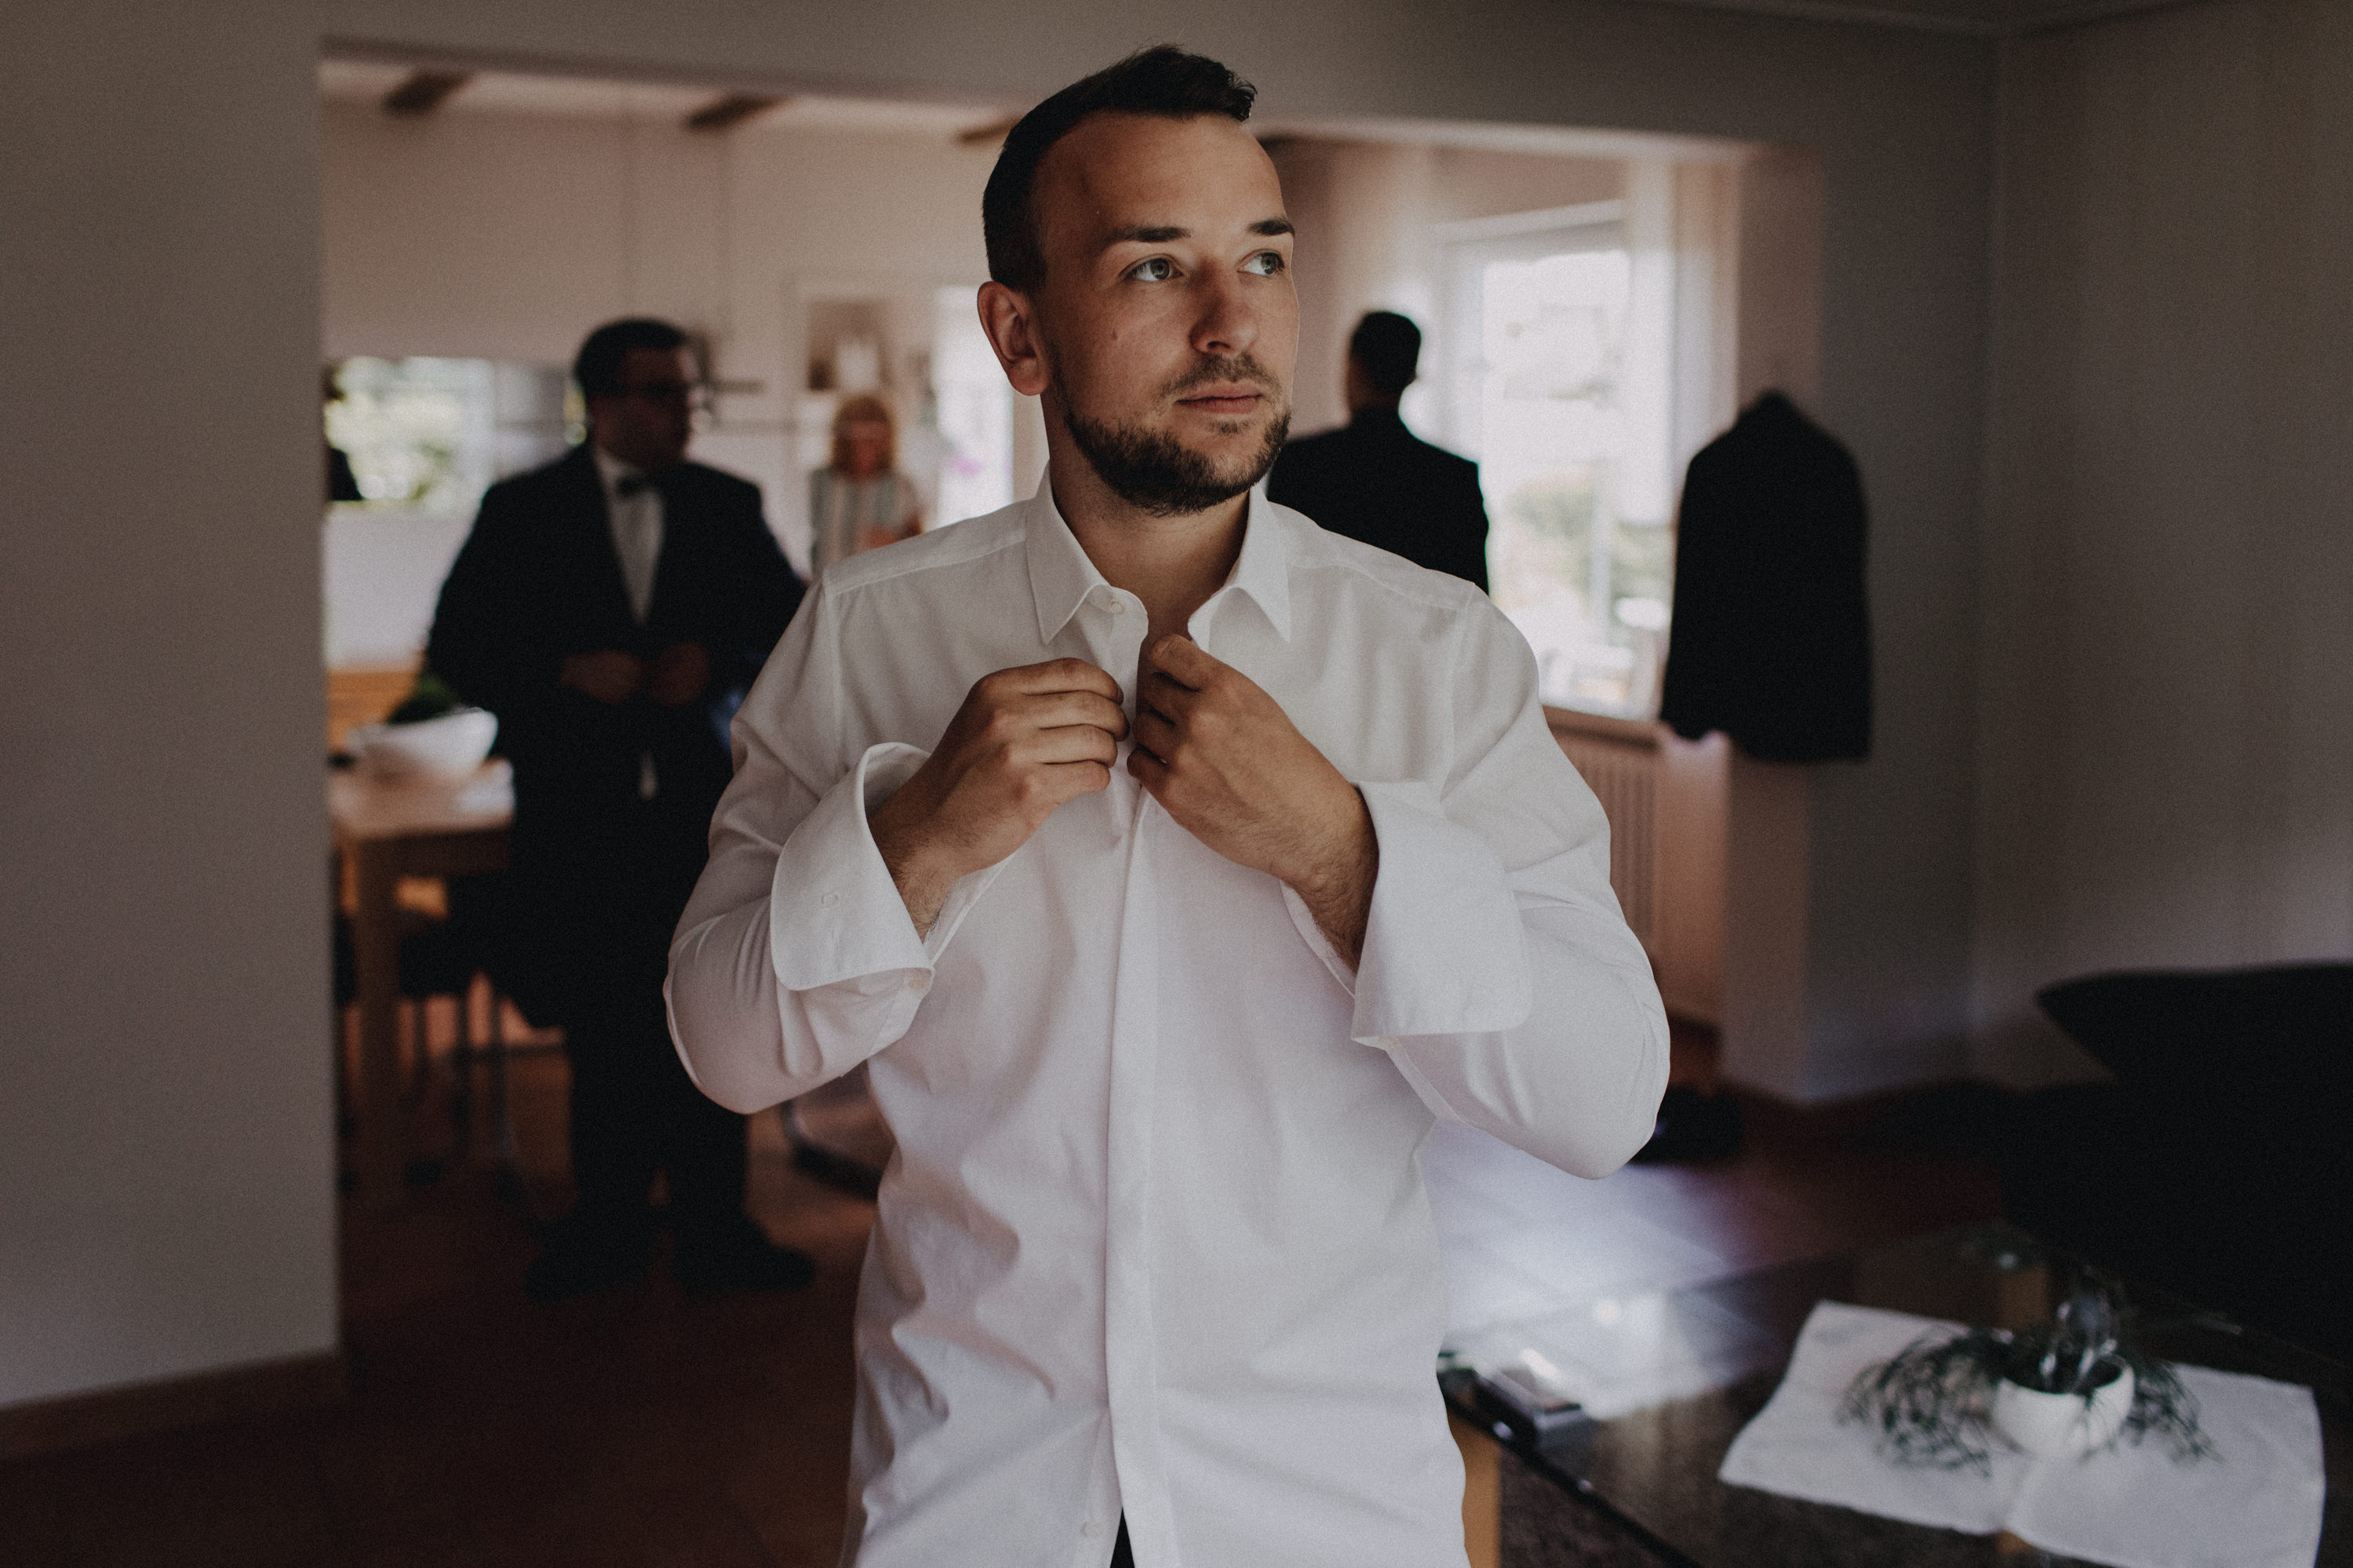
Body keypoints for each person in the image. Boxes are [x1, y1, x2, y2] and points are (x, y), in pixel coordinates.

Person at [666, 49, 1666, 1568]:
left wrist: (1340, 853)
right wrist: (919, 835)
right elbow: (724, 1049)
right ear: (1019, 331)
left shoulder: (1434, 653)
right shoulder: (870, 633)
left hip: (1320, 1505)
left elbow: (1602, 1100)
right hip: (974, 1492)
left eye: (1260, 258)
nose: (1232, 322)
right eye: (1154, 266)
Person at [427, 318, 814, 1301]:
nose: (686, 411)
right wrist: (561, 670)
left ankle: (715, 1233)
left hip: (699, 813)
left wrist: (718, 665)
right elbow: (458, 649)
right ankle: (603, 1233)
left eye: (691, 393)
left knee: (710, 1016)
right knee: (601, 1032)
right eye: (663, 393)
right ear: (599, 404)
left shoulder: (728, 504)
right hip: (578, 816)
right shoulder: (520, 511)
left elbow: (794, 628)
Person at [1266, 310, 1492, 591]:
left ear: (1354, 367)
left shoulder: (1300, 463)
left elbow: (1277, 582)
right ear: (1411, 376)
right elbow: (1475, 602)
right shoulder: (1454, 478)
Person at [808, 393, 923, 575]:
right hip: (827, 590)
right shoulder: (818, 482)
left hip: (881, 592)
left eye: (873, 433)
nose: (864, 442)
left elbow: (922, 548)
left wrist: (896, 542)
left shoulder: (902, 487)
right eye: (857, 431)